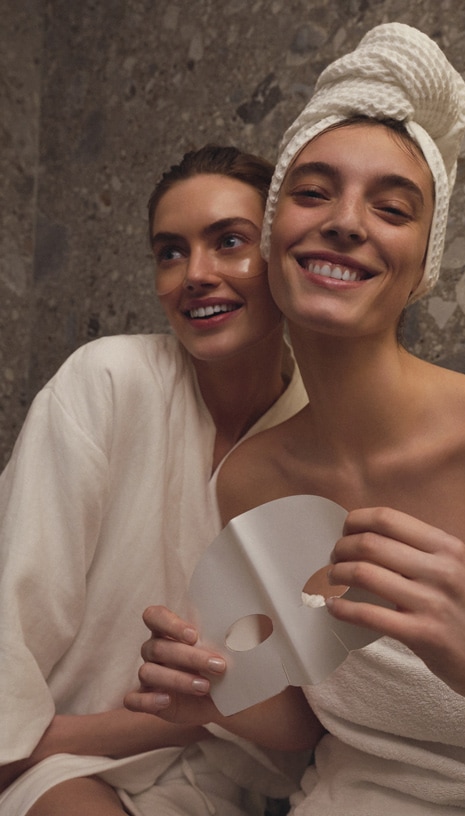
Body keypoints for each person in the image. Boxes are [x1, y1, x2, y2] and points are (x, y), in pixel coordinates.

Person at [126, 23, 465, 816]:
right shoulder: (251, 480)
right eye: (312, 192)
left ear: (421, 270)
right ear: (272, 244)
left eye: (394, 207)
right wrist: (216, 695)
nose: (346, 221)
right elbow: (313, 720)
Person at [0, 144, 313, 816]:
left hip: (235, 780)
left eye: (229, 242)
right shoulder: (108, 382)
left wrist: (205, 716)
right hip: (50, 759)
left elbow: (298, 699)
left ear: (283, 254)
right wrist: (41, 744)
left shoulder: (322, 437)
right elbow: (15, 612)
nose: (195, 274)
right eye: (170, 252)